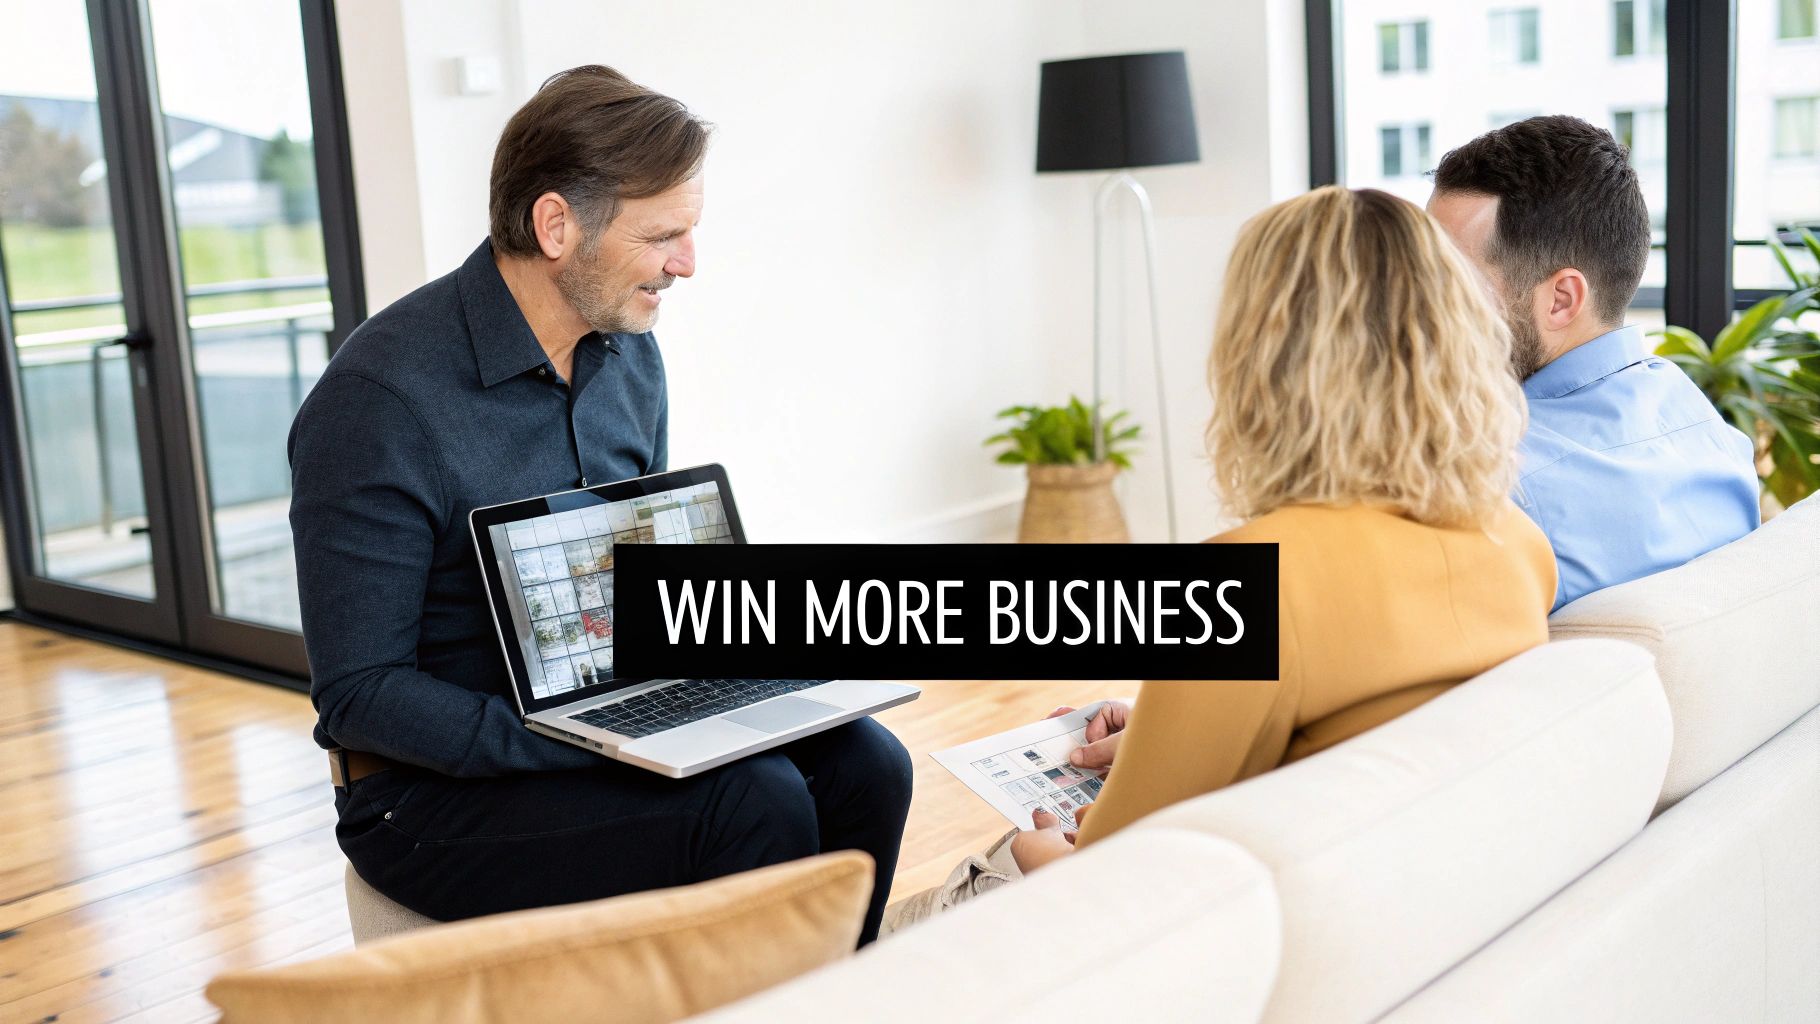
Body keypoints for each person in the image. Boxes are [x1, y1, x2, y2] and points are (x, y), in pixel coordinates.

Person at [289, 65, 912, 945]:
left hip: (608, 713)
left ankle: (828, 993)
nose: (687, 263)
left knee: (869, 764)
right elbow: (359, 695)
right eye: (663, 235)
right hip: (427, 796)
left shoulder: (629, 355)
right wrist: (582, 736)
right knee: (753, 801)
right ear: (556, 225)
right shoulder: (377, 404)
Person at [886, 187, 1556, 925]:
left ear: (1265, 361)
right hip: (1406, 906)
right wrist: (1163, 728)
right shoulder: (1518, 545)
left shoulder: (1253, 576)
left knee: (912, 911)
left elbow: (1110, 881)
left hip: (1209, 935)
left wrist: (1035, 853)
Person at [1427, 115, 1759, 611]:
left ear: (1561, 299)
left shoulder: (1493, 488)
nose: (1423, 308)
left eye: (1449, 281)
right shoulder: (1716, 440)